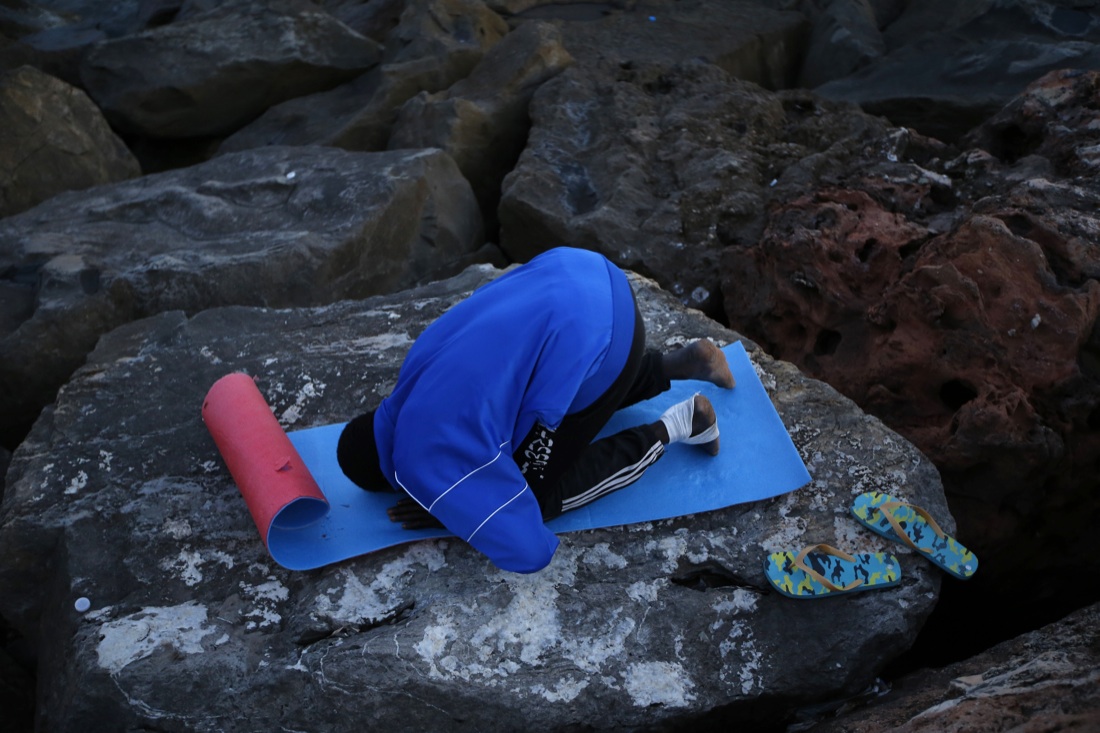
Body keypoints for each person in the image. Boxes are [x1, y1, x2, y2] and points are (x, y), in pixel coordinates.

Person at [336, 247, 735, 573]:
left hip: (604, 347)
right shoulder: (413, 373)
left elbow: (528, 548)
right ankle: (681, 363)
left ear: (395, 481)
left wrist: (460, 511)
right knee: (541, 381)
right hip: (590, 274)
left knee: (536, 497)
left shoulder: (420, 463)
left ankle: (681, 423)